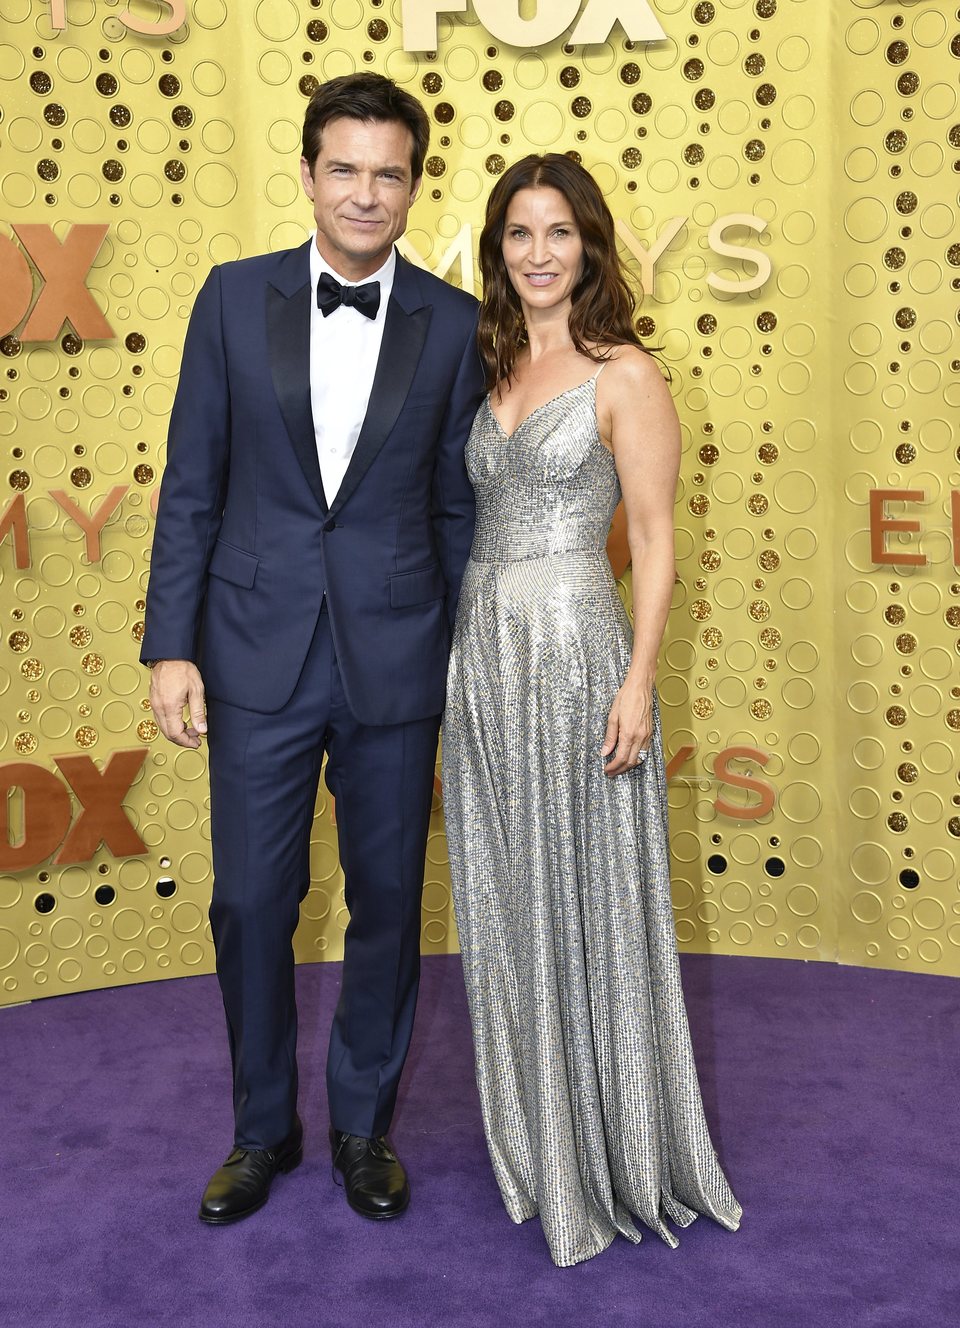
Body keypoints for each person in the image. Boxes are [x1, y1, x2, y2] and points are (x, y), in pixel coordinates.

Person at [142, 73, 484, 1225]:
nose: (366, 192)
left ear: (412, 185)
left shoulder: (449, 322)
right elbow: (192, 483)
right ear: (306, 174)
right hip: (251, 651)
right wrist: (170, 645)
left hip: (396, 656)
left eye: (389, 172)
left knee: (388, 898)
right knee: (250, 899)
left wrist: (466, 655)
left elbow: (455, 511)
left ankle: (361, 1125)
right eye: (345, 168)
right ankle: (260, 1130)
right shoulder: (231, 299)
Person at [442, 154, 742, 1267]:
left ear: (591, 245)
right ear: (497, 249)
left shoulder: (626, 373)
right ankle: (540, 1130)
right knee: (511, 891)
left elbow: (656, 541)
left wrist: (639, 677)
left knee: (590, 891)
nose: (537, 254)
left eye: (557, 232)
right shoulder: (497, 366)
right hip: (486, 658)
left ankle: (614, 1139)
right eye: (518, 234)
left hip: (577, 656)